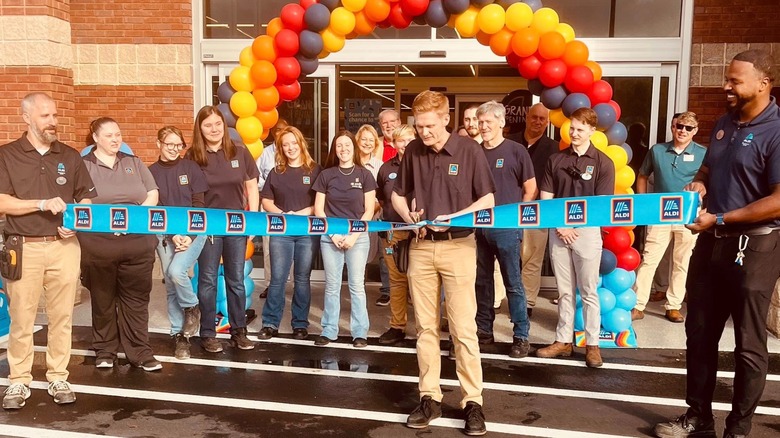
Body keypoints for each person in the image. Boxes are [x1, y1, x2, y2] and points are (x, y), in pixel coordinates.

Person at [654, 49, 780, 438]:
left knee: (748, 344)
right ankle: (698, 417)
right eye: (727, 78)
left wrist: (722, 218)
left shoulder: (776, 131)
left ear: (763, 84)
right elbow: (714, 165)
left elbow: (778, 199)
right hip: (712, 242)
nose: (726, 86)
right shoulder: (724, 123)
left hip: (756, 247)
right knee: (699, 332)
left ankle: (737, 430)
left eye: (735, 80)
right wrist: (702, 180)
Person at [392, 90, 495, 436]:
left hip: (459, 245)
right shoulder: (412, 152)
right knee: (424, 329)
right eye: (419, 126)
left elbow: (488, 198)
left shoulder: (470, 151)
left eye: (430, 125)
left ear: (446, 118)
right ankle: (429, 397)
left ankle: (473, 402)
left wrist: (456, 217)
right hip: (421, 246)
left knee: (464, 329)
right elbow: (397, 193)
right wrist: (408, 215)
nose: (424, 132)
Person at [0, 93, 96, 410]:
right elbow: (1, 202)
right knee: (21, 318)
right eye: (45, 116)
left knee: (62, 317)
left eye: (54, 115)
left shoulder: (69, 156)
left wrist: (77, 222)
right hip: (23, 247)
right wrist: (40, 204)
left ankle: (58, 375)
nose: (52, 121)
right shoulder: (7, 155)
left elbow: (86, 200)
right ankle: (18, 382)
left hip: (64, 246)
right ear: (26, 117)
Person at [79, 117, 162, 371]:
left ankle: (140, 351)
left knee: (136, 301)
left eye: (118, 134)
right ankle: (105, 350)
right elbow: (81, 202)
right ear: (95, 138)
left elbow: (152, 193)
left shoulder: (133, 163)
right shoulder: (83, 166)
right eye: (109, 135)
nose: (116, 139)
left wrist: (132, 220)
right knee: (103, 300)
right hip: (99, 244)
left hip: (137, 244)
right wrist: (109, 223)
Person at [535, 107, 615, 368]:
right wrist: (561, 227)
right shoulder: (555, 160)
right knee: (564, 290)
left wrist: (574, 226)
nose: (575, 133)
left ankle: (592, 345)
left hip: (587, 232)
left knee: (589, 290)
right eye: (572, 128)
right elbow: (546, 199)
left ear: (593, 130)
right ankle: (563, 340)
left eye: (581, 129)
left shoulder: (604, 162)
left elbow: (602, 206)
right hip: (558, 230)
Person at [187, 105, 259, 353]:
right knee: (206, 280)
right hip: (208, 228)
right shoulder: (193, 156)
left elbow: (251, 188)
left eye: (217, 123)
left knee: (236, 280)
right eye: (208, 125)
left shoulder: (239, 152)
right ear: (201, 129)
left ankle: (239, 331)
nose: (214, 129)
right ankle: (207, 332)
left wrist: (252, 221)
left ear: (224, 125)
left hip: (237, 225)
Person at [474, 101, 536, 358]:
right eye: (480, 122)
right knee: (482, 282)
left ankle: (521, 336)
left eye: (488, 122)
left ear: (501, 123)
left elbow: (530, 188)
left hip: (507, 228)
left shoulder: (516, 151)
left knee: (513, 282)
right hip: (478, 228)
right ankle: (484, 331)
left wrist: (519, 218)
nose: (484, 126)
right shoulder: (474, 152)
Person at [632, 111, 705, 323]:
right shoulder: (657, 150)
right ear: (673, 127)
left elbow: (711, 181)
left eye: (688, 128)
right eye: (680, 126)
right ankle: (638, 304)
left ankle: (673, 306)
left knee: (682, 261)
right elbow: (643, 175)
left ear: (695, 131)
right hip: (660, 214)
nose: (683, 130)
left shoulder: (703, 153)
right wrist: (643, 203)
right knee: (649, 259)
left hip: (689, 215)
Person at [148, 126, 209, 360]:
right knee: (172, 285)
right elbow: (157, 209)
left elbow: (199, 205)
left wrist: (189, 235)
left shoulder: (191, 168)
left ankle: (192, 307)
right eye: (169, 144)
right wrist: (173, 234)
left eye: (178, 145)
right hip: (166, 235)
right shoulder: (150, 172)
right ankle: (179, 335)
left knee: (176, 272)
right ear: (159, 144)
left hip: (194, 232)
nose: (174, 149)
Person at [312, 130, 376, 348]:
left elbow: (369, 211)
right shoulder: (326, 175)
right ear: (334, 149)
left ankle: (360, 333)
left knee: (357, 286)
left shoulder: (365, 175)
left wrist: (354, 236)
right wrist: (334, 234)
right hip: (331, 237)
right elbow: (319, 210)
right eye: (339, 145)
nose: (343, 149)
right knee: (332, 286)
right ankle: (329, 330)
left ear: (354, 147)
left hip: (358, 238)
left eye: (347, 145)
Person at [258, 126, 321, 341]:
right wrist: (283, 214)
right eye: (286, 145)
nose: (290, 148)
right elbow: (266, 200)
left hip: (306, 232)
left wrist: (303, 213)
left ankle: (300, 324)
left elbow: (320, 202)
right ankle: (270, 323)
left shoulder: (314, 170)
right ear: (280, 148)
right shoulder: (276, 172)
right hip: (281, 231)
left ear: (301, 143)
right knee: (277, 278)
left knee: (302, 279)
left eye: (294, 143)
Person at [376, 125, 416, 345]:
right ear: (393, 143)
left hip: (420, 233)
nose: (405, 144)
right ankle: (397, 326)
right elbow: (381, 199)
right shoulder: (385, 169)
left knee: (420, 282)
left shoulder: (424, 165)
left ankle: (425, 328)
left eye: (409, 139)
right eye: (400, 140)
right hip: (394, 233)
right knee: (397, 282)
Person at [519, 103, 558, 317]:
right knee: (498, 259)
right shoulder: (510, 142)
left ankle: (527, 303)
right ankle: (495, 301)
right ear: (526, 116)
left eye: (543, 119)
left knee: (532, 259)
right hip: (507, 209)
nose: (538, 122)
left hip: (537, 212)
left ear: (548, 122)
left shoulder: (553, 148)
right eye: (534, 117)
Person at [356, 124, 390, 307]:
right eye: (364, 139)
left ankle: (386, 291)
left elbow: (383, 195)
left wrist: (372, 208)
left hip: (377, 216)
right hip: (354, 218)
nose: (367, 143)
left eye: (371, 140)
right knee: (357, 255)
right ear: (357, 141)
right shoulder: (350, 162)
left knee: (383, 254)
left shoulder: (380, 167)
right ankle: (357, 288)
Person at [256, 118, 290, 299]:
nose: (280, 133)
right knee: (270, 249)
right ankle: (270, 285)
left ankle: (287, 283)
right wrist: (271, 182)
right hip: (270, 207)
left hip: (291, 209)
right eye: (277, 130)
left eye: (284, 130)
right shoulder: (264, 153)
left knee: (290, 249)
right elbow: (256, 178)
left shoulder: (295, 151)